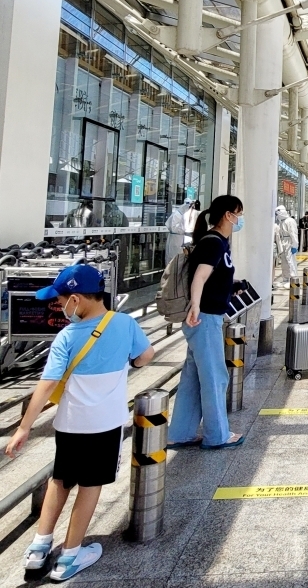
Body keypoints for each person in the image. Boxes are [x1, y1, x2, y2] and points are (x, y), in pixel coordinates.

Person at [6, 264, 154, 581]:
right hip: (106, 424)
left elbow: (47, 384)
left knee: (60, 480)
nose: (60, 306)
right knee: (90, 486)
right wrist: (130, 359)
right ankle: (70, 556)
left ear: (76, 299)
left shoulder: (66, 336)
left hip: (70, 424)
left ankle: (38, 549)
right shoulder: (125, 323)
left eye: (60, 300)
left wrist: (24, 427)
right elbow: (146, 356)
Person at [166, 195, 246, 451]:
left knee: (192, 378)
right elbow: (199, 277)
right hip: (204, 318)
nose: (240, 219)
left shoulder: (218, 242)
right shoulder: (213, 242)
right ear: (228, 215)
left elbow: (210, 277)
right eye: (239, 213)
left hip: (206, 317)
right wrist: (196, 307)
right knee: (214, 377)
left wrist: (230, 287)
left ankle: (180, 433)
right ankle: (217, 435)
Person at [273, 205, 298, 288]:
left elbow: (293, 234)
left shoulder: (290, 221)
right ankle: (286, 279)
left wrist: (294, 245)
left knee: (290, 261)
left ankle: (293, 279)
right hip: (283, 242)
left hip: (289, 242)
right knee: (284, 262)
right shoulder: (281, 222)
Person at [165, 199, 192, 265]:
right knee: (173, 260)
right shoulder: (177, 215)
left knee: (178, 260)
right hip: (175, 240)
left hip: (178, 240)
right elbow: (174, 228)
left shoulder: (182, 214)